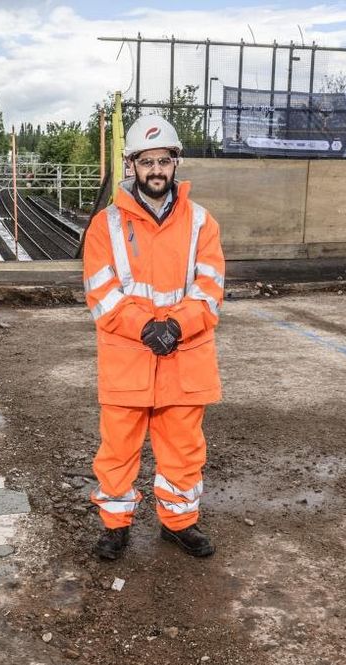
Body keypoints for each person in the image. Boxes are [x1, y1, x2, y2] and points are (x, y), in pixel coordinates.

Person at [81, 115, 226, 560]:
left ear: (176, 162)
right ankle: (115, 526)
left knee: (183, 451)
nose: (156, 170)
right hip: (130, 358)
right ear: (132, 166)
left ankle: (179, 523)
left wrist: (176, 325)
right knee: (118, 451)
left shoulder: (202, 223)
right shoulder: (105, 226)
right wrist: (145, 326)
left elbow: (211, 286)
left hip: (183, 358)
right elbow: (101, 291)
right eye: (147, 162)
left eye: (164, 160)